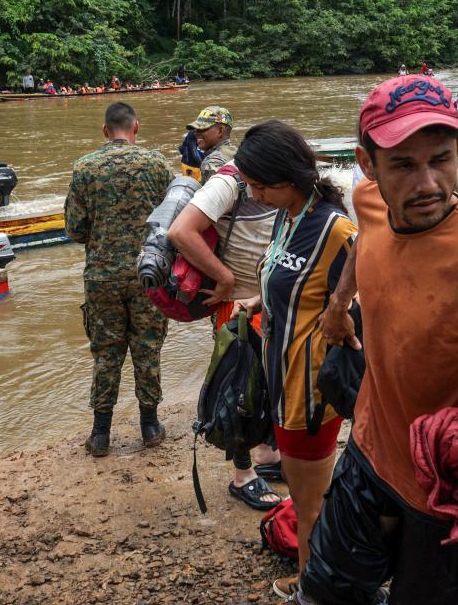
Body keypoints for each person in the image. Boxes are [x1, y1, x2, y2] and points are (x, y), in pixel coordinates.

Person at [290, 75, 458, 605]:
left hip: (441, 485)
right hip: (368, 450)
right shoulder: (368, 201)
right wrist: (340, 306)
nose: (429, 185)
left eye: (441, 160)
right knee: (323, 592)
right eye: (403, 166)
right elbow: (364, 244)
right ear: (366, 165)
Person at [204, 121, 355, 598]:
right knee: (301, 484)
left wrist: (339, 314)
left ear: (287, 179)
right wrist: (257, 303)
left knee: (308, 502)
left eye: (257, 185)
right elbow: (286, 284)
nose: (251, 193)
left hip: (308, 390)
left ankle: (311, 587)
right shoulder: (285, 216)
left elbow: (364, 299)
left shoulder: (336, 231)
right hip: (278, 376)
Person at [168, 117, 283, 511]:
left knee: (268, 384)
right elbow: (181, 233)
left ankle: (267, 455)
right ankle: (242, 475)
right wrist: (225, 279)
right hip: (234, 309)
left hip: (266, 304)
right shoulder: (227, 183)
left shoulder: (280, 186)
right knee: (238, 393)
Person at [64, 102, 174, 457]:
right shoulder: (157, 165)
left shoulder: (84, 168)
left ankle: (100, 435)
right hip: (150, 273)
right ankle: (150, 426)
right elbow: (176, 220)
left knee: (106, 352)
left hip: (102, 276)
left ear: (104, 131)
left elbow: (75, 230)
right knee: (147, 348)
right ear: (136, 127)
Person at [186, 106, 237, 183]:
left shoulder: (211, 163)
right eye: (196, 129)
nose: (196, 133)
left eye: (203, 128)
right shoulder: (238, 153)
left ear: (220, 131)